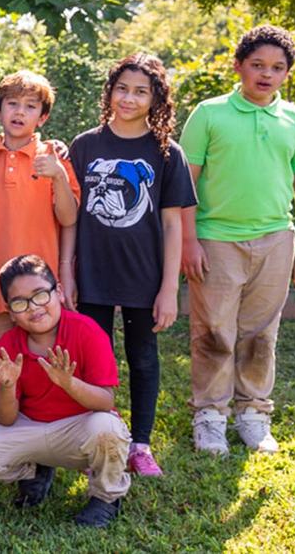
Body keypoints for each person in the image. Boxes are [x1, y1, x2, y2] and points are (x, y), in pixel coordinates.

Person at [180, 25, 295, 456]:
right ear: (239, 65)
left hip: (276, 239)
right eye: (257, 65)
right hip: (216, 239)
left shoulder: (294, 119)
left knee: (261, 333)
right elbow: (186, 182)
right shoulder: (209, 113)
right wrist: (189, 241)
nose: (266, 74)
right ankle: (209, 415)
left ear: (286, 75)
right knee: (213, 330)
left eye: (277, 68)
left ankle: (254, 415)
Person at [64, 54, 195, 475]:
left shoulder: (165, 153)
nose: (129, 98)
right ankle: (94, 437)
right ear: (110, 92)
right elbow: (67, 213)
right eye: (122, 88)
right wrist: (67, 271)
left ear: (156, 99)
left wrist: (169, 287)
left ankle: (140, 444)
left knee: (143, 358)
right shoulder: (85, 145)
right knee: (93, 359)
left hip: (145, 274)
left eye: (141, 91)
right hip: (93, 271)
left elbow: (173, 223)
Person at [0, 254, 131, 528]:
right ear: (10, 310)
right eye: (20, 302)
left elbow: (105, 400)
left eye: (40, 295)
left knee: (108, 428)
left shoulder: (87, 331)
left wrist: (69, 383)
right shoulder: (8, 344)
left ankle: (106, 497)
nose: (34, 308)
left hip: (81, 429)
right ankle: (34, 471)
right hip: (33, 428)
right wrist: (7, 386)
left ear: (59, 292)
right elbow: (5, 420)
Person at [0, 71, 80, 352]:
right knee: (1, 370)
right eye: (12, 104)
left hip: (41, 289)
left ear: (42, 117)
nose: (20, 112)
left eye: (30, 106)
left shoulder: (54, 158)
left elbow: (69, 218)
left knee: (44, 364)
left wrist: (58, 177)